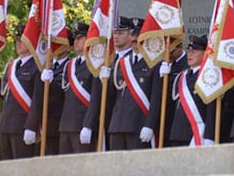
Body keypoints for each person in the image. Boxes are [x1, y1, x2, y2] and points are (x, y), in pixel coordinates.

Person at [81, 16, 155, 150]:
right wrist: (103, 81)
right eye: (133, 34)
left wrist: (150, 124)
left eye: (136, 35)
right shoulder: (116, 63)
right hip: (116, 124)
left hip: (138, 123)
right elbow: (106, 96)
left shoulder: (153, 64)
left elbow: (156, 99)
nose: (134, 39)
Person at [0, 24, 39, 160]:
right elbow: (4, 94)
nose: (18, 43)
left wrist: (31, 126)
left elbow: (37, 101)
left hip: (22, 127)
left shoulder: (37, 67)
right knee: (4, 169)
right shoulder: (12, 66)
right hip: (6, 124)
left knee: (21, 171)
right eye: (17, 40)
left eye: (22, 40)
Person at [169, 35, 215, 146]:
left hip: (197, 133)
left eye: (194, 51)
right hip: (177, 132)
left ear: (205, 53)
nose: (189, 54)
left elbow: (211, 110)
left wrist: (209, 136)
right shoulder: (182, 76)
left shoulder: (208, 77)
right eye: (189, 51)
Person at [30, 28, 70, 155]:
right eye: (53, 42)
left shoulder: (70, 67)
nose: (54, 46)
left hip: (56, 125)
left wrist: (51, 83)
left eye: (59, 42)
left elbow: (64, 94)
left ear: (69, 47)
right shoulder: (46, 67)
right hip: (40, 126)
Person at [58, 22, 93, 154]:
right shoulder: (70, 65)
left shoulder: (94, 64)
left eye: (80, 38)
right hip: (66, 124)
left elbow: (95, 99)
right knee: (65, 170)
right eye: (75, 39)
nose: (76, 42)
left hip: (81, 123)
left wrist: (88, 125)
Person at [146, 41, 187, 147]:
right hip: (162, 121)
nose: (167, 54)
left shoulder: (188, 64)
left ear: (180, 47)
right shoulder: (162, 64)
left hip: (180, 120)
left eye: (171, 51)